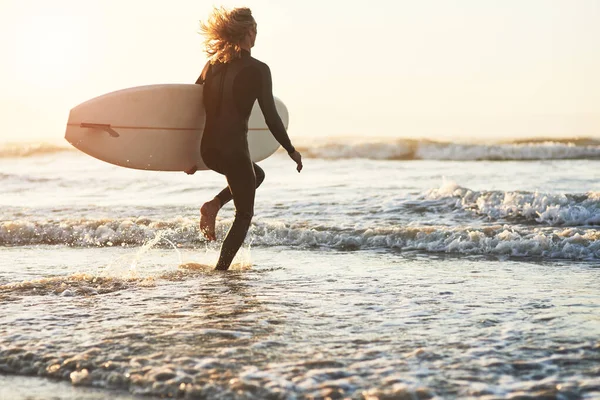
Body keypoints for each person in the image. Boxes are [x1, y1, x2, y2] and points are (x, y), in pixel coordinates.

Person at [187, 7, 303, 271]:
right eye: (255, 31)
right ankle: (221, 272)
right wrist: (290, 149)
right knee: (244, 214)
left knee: (256, 176)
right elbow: (271, 116)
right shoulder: (258, 69)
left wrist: (190, 156)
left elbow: (191, 106)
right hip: (234, 151)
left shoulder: (212, 65)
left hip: (209, 150)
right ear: (249, 32)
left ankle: (213, 205)